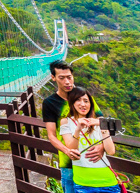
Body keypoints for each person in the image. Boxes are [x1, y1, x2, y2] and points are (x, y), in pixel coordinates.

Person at [43, 60, 105, 193]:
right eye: (62, 78)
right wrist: (67, 151)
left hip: (92, 161)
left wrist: (102, 146)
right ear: (53, 78)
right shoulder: (49, 103)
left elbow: (102, 122)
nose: (67, 82)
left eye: (69, 77)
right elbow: (51, 135)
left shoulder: (84, 97)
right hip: (69, 164)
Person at [60, 86, 119, 193]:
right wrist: (78, 129)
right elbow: (72, 149)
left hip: (107, 182)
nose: (83, 104)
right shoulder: (66, 122)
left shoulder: (100, 121)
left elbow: (111, 151)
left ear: (91, 104)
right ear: (72, 102)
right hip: (83, 183)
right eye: (78, 100)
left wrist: (102, 125)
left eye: (86, 101)